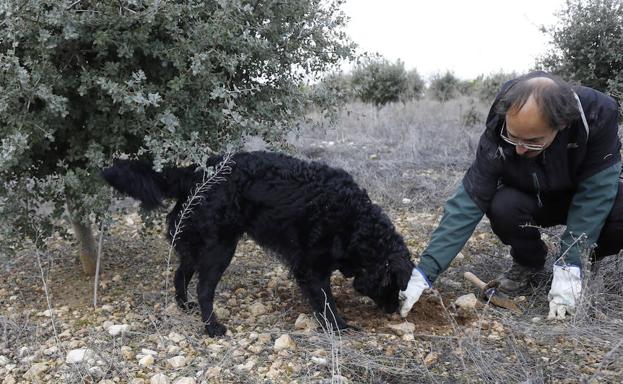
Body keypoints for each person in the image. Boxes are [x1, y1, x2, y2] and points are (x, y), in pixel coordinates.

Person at [399, 71, 623, 320]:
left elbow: (595, 195)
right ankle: (529, 263)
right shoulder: (499, 124)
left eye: (533, 141)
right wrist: (424, 272)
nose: (519, 148)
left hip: (578, 193)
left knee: (619, 211)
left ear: (561, 125)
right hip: (532, 198)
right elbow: (470, 199)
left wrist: (570, 265)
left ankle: (580, 269)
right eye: (513, 137)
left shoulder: (596, 114)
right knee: (501, 204)